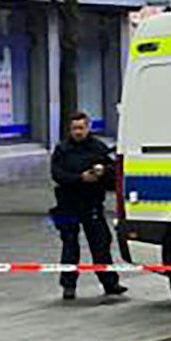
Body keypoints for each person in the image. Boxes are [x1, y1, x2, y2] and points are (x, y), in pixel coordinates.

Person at [50, 111, 126, 301]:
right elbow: (57, 175)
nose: (78, 132)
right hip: (67, 203)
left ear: (88, 128)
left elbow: (112, 173)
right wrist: (80, 178)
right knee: (69, 245)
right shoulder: (62, 149)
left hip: (92, 203)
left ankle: (110, 282)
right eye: (74, 128)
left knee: (100, 243)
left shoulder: (98, 148)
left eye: (81, 128)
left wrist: (102, 172)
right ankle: (68, 285)